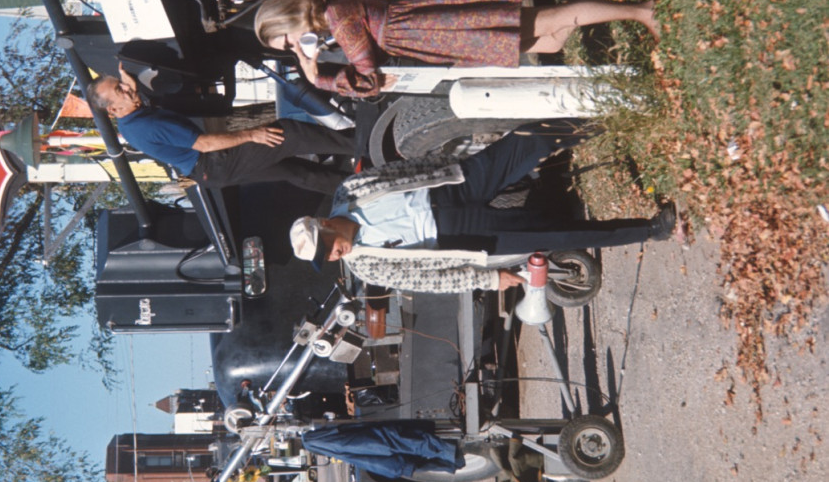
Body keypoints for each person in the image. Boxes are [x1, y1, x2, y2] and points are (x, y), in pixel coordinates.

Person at [287, 120, 676, 293]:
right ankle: (649, 230)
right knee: (554, 234)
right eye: (329, 258)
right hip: (458, 234)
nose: (336, 255)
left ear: (325, 223)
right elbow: (430, 281)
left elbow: (404, 170)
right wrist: (488, 279)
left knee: (526, 142)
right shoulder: (368, 264)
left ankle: (609, 117)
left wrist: (454, 162)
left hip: (451, 186)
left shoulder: (352, 189)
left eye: (328, 246)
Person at [254, 0, 662, 98]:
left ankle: (644, 12)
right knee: (551, 40)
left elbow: (369, 79)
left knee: (551, 19)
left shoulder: (337, 22)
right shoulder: (331, 11)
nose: (294, 47)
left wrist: (318, 78)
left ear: (289, 20)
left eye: (287, 41)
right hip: (434, 27)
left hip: (441, 31)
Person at [86, 65, 354, 194]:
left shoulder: (130, 120)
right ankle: (362, 143)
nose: (127, 89)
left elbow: (134, 97)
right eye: (119, 91)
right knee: (288, 133)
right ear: (112, 110)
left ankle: (356, 188)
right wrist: (251, 134)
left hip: (210, 174)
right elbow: (204, 144)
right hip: (214, 160)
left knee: (293, 170)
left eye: (122, 85)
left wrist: (128, 83)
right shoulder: (146, 124)